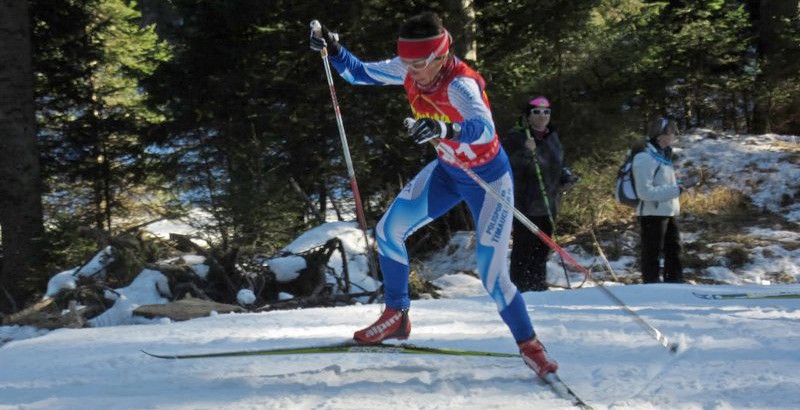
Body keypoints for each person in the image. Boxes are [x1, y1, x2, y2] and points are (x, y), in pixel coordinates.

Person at [310, 12, 558, 378]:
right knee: (388, 231)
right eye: (406, 62)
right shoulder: (408, 67)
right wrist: (333, 49)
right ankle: (396, 315)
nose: (410, 71)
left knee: (493, 277)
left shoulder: (461, 84)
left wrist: (445, 127)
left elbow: (484, 129)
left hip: (488, 181)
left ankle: (531, 347)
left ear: (441, 56)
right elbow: (358, 73)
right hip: (448, 171)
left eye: (418, 64)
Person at [503, 97, 578, 292]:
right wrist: (527, 152)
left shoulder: (552, 137)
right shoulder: (517, 137)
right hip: (525, 205)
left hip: (549, 203)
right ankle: (519, 288)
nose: (542, 115)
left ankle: (538, 286)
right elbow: (508, 167)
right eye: (536, 112)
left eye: (546, 112)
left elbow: (557, 164)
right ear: (528, 116)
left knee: (542, 250)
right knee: (523, 248)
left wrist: (566, 177)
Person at [633, 117, 690, 284]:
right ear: (660, 136)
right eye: (671, 133)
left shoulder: (663, 156)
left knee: (675, 250)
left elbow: (663, 183)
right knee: (652, 253)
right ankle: (651, 286)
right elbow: (644, 192)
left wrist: (679, 184)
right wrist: (676, 190)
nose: (674, 136)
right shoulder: (644, 157)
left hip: (669, 211)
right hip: (652, 214)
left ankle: (675, 283)